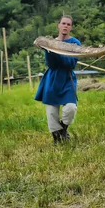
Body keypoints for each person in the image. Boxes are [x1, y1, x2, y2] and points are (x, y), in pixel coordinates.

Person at [35, 15, 80, 144]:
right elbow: (51, 63)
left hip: (67, 77)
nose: (65, 26)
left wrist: (56, 51)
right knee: (51, 111)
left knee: (71, 107)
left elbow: (70, 63)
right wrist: (51, 49)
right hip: (52, 77)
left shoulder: (74, 43)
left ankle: (63, 130)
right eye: (63, 23)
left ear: (71, 27)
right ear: (58, 25)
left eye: (68, 24)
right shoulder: (50, 43)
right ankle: (56, 138)